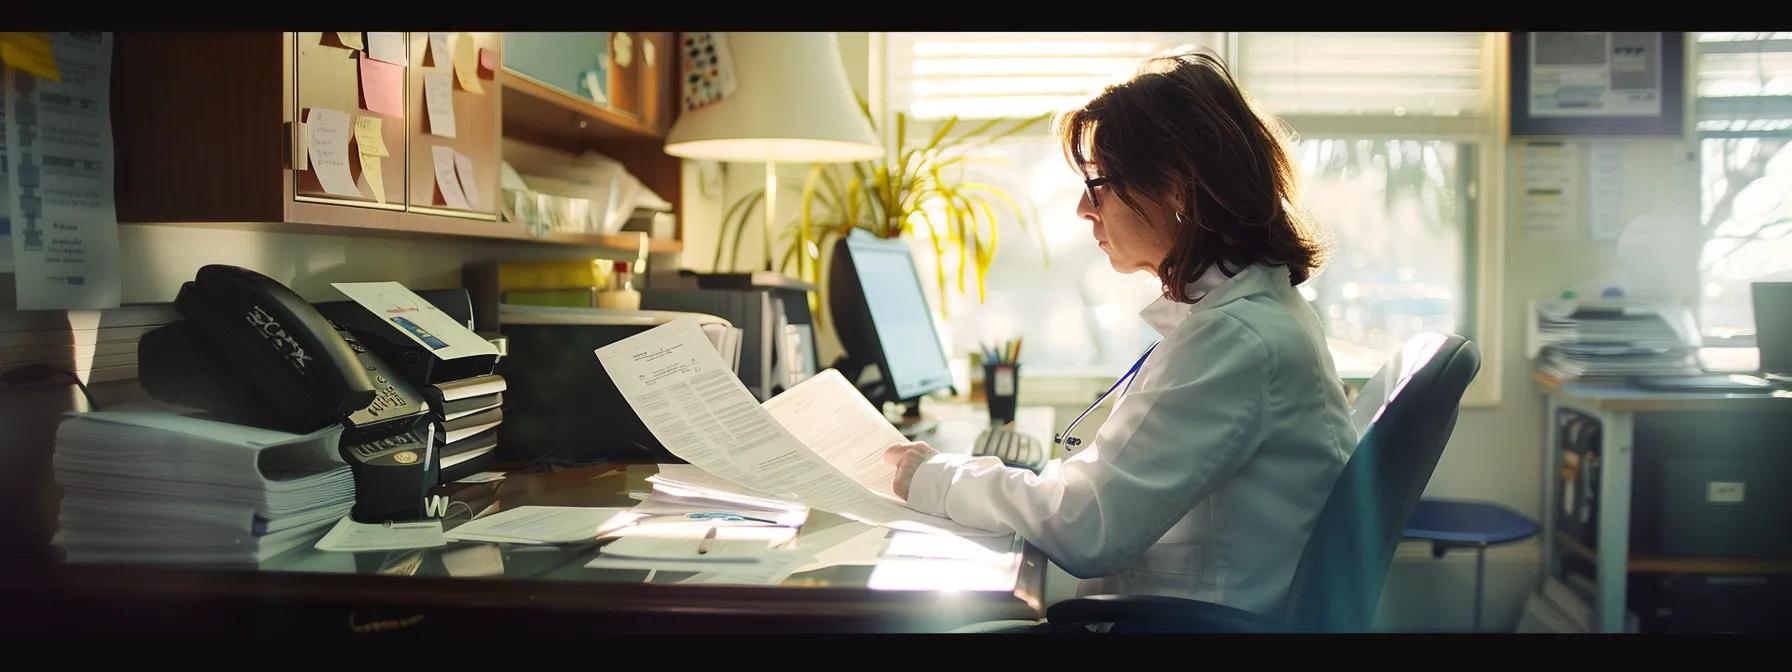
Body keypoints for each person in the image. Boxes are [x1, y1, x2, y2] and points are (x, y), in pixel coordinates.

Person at [883, 50, 1357, 623]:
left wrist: (934, 477)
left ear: (1176, 188)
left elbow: (1088, 530)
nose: (1085, 209)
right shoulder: (1243, 316)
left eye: (1098, 185)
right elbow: (1107, 493)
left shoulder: (1237, 339)